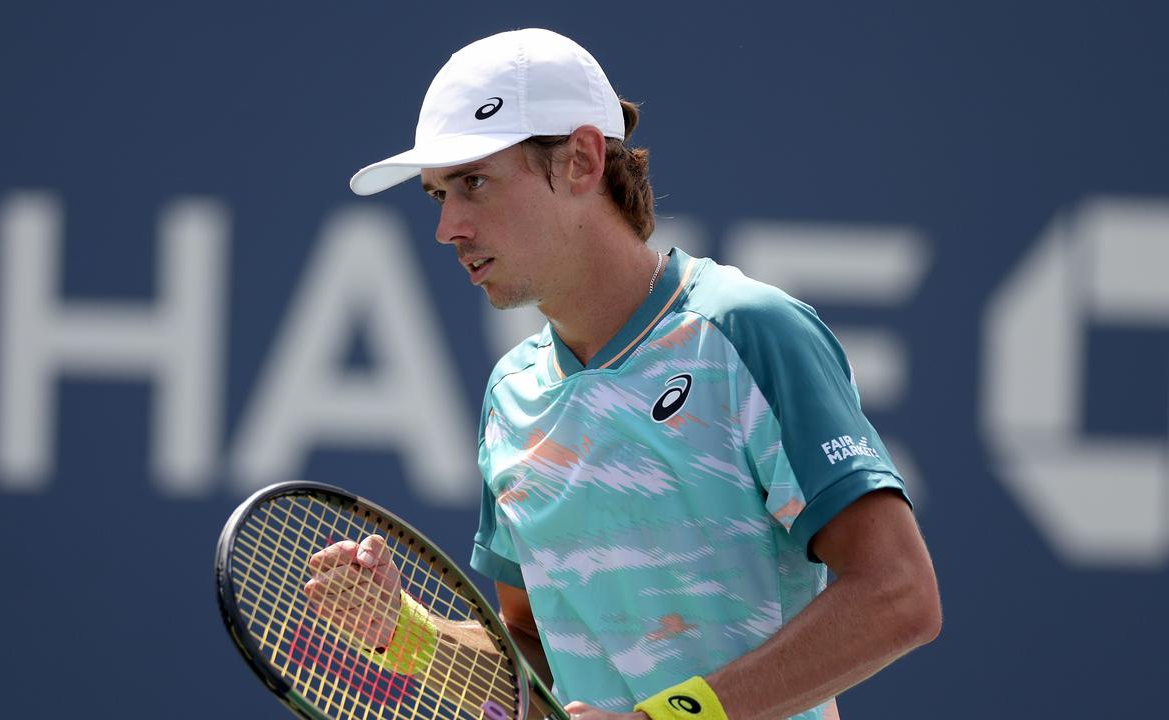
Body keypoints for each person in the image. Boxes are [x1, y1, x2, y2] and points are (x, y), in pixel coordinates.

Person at [314, 28, 941, 720]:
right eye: (438, 195)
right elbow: (536, 657)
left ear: (581, 160)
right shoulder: (511, 397)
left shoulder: (746, 332)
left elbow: (898, 595)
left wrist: (664, 718)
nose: (449, 226)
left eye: (474, 183)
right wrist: (406, 634)